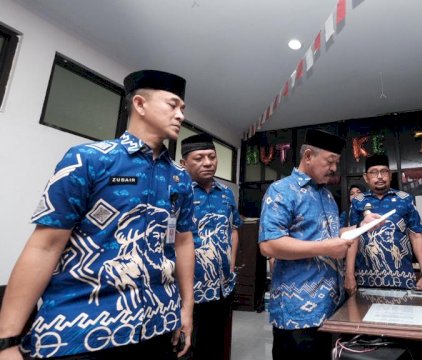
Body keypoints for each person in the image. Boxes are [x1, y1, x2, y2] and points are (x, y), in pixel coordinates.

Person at [0, 70, 195, 359]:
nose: (180, 115)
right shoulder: (90, 159)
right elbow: (46, 244)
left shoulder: (180, 177)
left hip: (159, 325)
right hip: (82, 331)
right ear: (140, 105)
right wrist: (7, 340)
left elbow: (181, 242)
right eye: (173, 105)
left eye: (183, 109)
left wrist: (185, 310)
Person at [258, 129, 377, 360]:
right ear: (309, 156)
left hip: (330, 308)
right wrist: (325, 248)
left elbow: (329, 235)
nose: (334, 169)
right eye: (330, 162)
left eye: (337, 163)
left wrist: (361, 227)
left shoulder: (326, 195)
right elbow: (269, 245)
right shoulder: (281, 190)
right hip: (297, 313)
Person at [179, 134, 242, 360]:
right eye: (199, 158)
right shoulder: (175, 192)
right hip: (188, 292)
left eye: (212, 157)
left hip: (222, 288)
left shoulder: (225, 193)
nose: (208, 162)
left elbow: (233, 228)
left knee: (214, 346)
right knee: (186, 350)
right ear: (183, 163)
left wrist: (231, 265)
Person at [345, 154, 422, 294]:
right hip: (366, 281)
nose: (380, 176)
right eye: (374, 172)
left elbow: (416, 236)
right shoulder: (358, 202)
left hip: (403, 280)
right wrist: (349, 275)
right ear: (366, 177)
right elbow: (353, 238)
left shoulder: (405, 199)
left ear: (390, 175)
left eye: (384, 171)